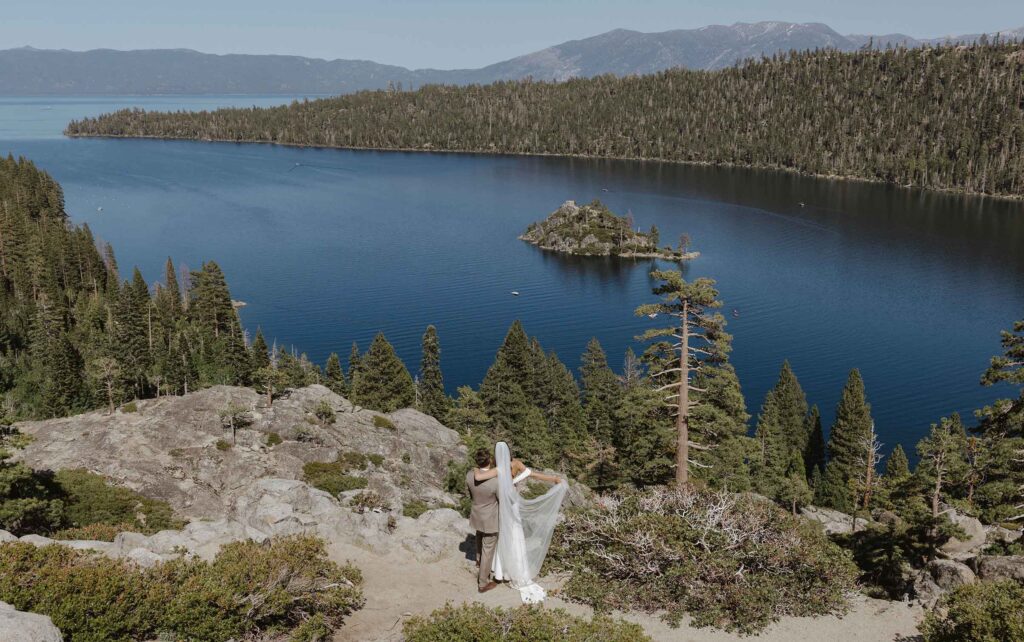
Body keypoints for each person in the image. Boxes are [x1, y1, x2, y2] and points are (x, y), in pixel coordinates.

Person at [474, 442, 567, 603]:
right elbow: (533, 474)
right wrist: (554, 479)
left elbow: (479, 477)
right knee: (515, 536)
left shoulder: (496, 469)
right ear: (509, 451)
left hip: (502, 507)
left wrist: (475, 468)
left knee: (503, 537)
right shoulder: (515, 464)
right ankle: (516, 570)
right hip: (513, 506)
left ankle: (501, 572)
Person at [466, 447, 500, 593]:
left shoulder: (469, 475)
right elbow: (502, 500)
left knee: (479, 535)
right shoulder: (495, 481)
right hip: (490, 518)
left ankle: (478, 561)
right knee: (488, 548)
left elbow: (468, 494)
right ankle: (483, 583)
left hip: (476, 513)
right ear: (490, 460)